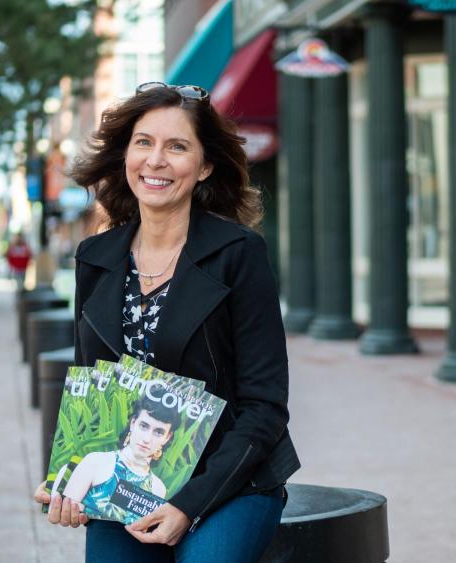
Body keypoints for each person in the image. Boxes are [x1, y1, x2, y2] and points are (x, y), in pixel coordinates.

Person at [33, 81, 300, 563]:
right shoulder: (95, 257)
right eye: (144, 143)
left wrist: (187, 504)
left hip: (230, 482)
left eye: (177, 146)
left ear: (204, 166)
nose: (156, 160)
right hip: (126, 486)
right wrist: (67, 479)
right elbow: (91, 392)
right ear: (126, 158)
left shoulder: (238, 255)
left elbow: (265, 407)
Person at [52, 395, 180, 525]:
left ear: (167, 437)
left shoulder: (158, 488)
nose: (147, 439)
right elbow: (64, 510)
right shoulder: (96, 462)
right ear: (133, 423)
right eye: (144, 426)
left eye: (158, 432)